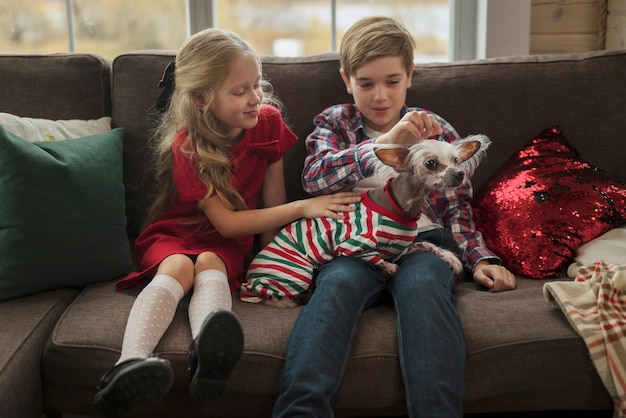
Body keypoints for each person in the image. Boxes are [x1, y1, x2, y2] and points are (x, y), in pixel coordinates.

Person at [91, 28, 360, 417]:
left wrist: (269, 268)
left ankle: (209, 358)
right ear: (202, 98)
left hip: (226, 247)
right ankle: (128, 364)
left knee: (211, 263)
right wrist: (305, 208)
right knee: (181, 264)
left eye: (257, 85)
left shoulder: (267, 123)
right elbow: (229, 223)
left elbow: (273, 200)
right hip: (177, 233)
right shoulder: (188, 145)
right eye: (240, 91)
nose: (256, 98)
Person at [272, 16, 517, 418]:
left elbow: (457, 207)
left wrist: (481, 258)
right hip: (355, 245)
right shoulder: (335, 122)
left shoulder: (435, 129)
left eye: (392, 80)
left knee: (425, 289)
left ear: (410, 76)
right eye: (366, 84)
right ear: (347, 80)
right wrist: (382, 144)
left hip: (423, 245)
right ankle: (301, 411)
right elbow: (314, 179)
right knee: (334, 288)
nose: (380, 96)